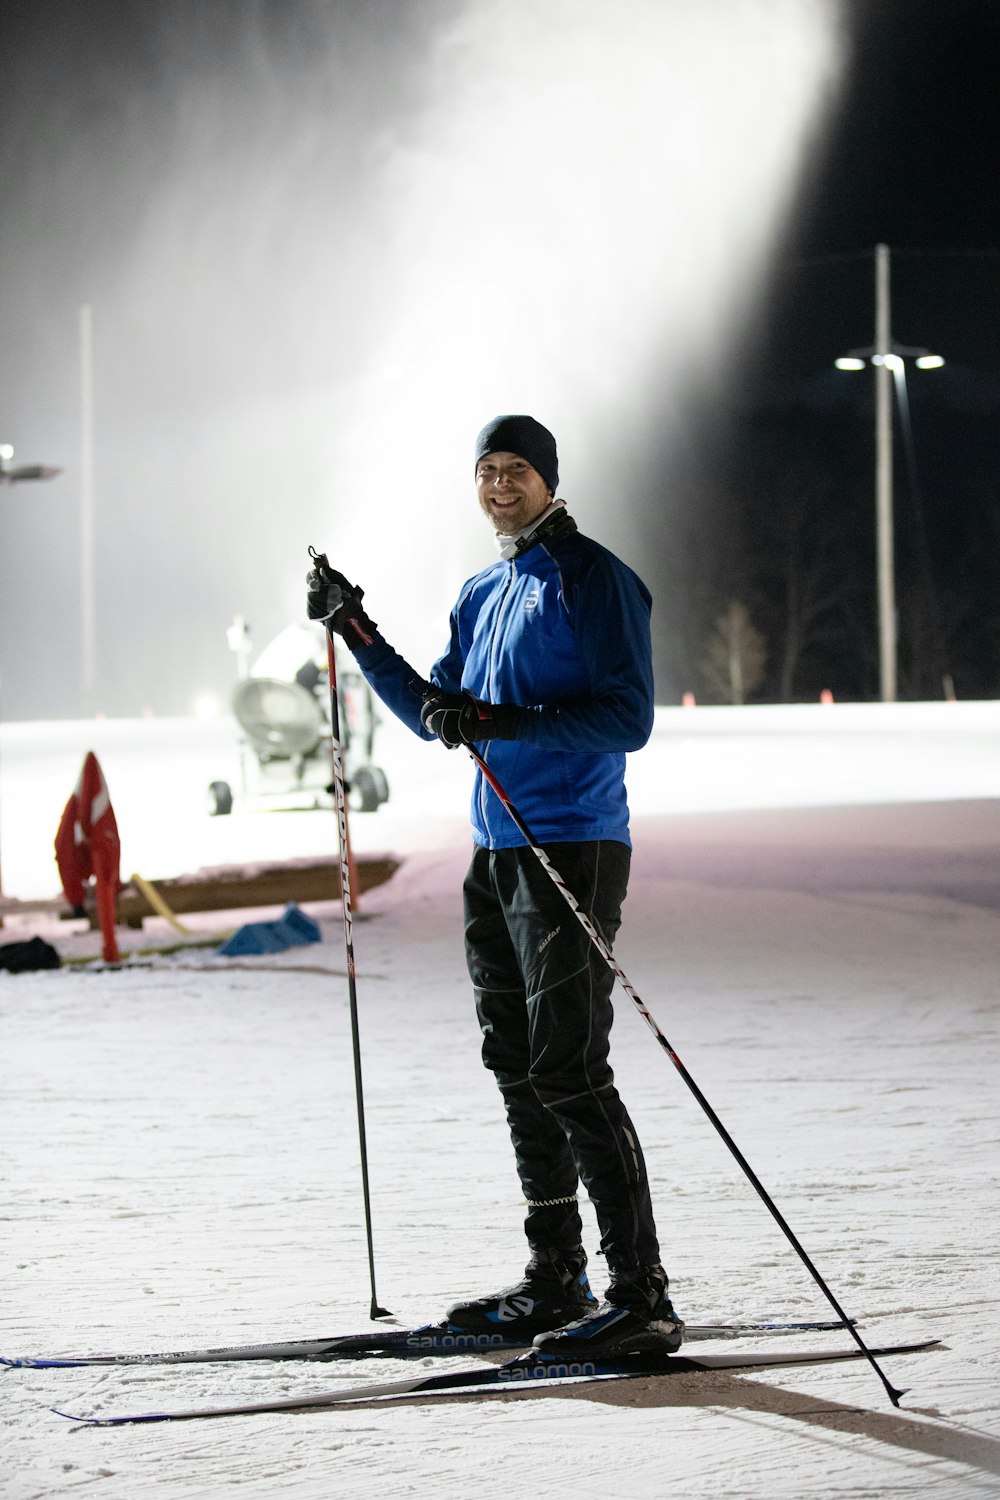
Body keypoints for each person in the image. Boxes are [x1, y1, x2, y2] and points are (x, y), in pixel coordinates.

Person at [306, 414, 681, 1356]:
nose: (499, 484)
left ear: (550, 480)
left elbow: (626, 717)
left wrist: (498, 720)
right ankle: (557, 1275)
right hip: (498, 848)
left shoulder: (593, 578)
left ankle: (642, 1295)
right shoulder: (482, 591)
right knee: (515, 1063)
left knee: (569, 1069)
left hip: (574, 841)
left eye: (517, 469)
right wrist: (355, 627)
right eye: (486, 470)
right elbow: (435, 711)